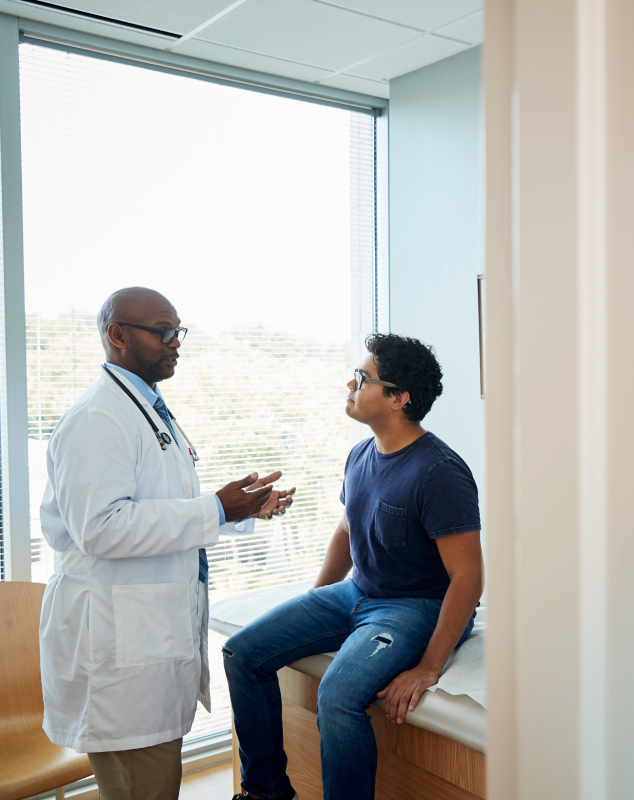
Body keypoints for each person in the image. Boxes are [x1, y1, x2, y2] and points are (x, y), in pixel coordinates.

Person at [38, 287, 296, 800]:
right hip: (118, 647)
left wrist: (239, 513)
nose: (175, 343)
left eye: (178, 331)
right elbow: (100, 527)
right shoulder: (99, 417)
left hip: (141, 636)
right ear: (116, 335)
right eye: (163, 332)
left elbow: (158, 505)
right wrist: (218, 508)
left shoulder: (144, 407)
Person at [224, 332, 483, 800]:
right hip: (357, 595)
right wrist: (316, 597)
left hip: (414, 608)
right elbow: (347, 532)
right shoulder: (361, 454)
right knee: (242, 654)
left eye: (364, 377)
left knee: (338, 697)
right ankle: (265, 792)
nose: (351, 382)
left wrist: (428, 666)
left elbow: (468, 577)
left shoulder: (440, 471)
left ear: (399, 398)